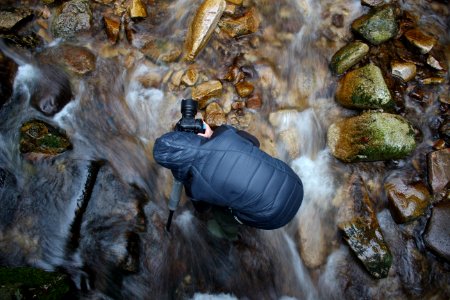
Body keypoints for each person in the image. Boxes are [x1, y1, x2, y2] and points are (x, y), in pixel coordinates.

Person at [153, 122, 303, 240]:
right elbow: (254, 142)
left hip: (272, 216)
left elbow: (202, 209)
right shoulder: (224, 133)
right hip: (293, 182)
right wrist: (212, 136)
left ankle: (227, 232)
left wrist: (186, 177)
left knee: (225, 212)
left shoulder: (195, 187)